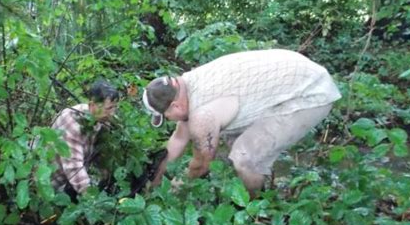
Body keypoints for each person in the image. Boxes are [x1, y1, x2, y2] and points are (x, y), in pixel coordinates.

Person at [142, 49, 342, 196]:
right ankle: (260, 185)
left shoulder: (202, 116)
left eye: (166, 115)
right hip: (294, 79)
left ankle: (253, 210)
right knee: (232, 142)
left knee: (243, 158)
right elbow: (178, 138)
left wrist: (174, 189)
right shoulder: (186, 85)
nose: (168, 119)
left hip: (308, 94)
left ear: (176, 106)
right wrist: (155, 176)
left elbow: (201, 166)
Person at [51, 80, 120, 198]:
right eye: (109, 108)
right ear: (92, 105)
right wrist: (93, 202)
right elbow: (74, 169)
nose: (112, 113)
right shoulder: (72, 125)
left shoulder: (99, 118)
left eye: (115, 107)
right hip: (52, 184)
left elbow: (101, 151)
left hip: (69, 181)